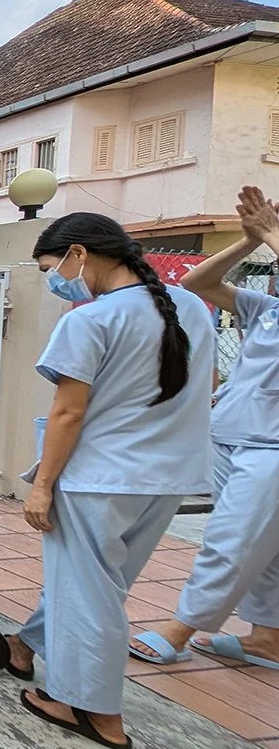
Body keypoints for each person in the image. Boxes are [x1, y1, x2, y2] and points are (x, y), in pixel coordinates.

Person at [7, 213, 215, 749]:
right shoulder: (189, 308)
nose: (55, 282)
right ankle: (26, 645)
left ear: (79, 254)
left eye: (52, 269)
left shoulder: (89, 320)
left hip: (99, 478)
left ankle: (98, 712)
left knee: (92, 596)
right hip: (169, 479)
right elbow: (207, 385)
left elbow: (68, 414)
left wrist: (42, 485)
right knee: (96, 584)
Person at [129, 187, 279, 670]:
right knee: (266, 547)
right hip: (232, 435)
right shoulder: (267, 309)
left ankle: (182, 627)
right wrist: (250, 241)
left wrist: (273, 233)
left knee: (232, 541)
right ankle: (267, 638)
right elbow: (197, 282)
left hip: (272, 449)